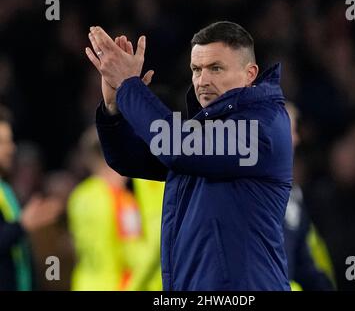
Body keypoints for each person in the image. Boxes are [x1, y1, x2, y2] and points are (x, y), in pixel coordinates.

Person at [86, 21, 293, 290]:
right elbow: (129, 159)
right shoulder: (202, 134)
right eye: (196, 69)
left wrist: (129, 86)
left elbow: (177, 149)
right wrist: (114, 107)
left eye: (216, 68)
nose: (203, 80)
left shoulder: (261, 126)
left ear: (249, 73)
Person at [67, 126, 142, 291]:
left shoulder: (78, 196)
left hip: (83, 284)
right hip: (116, 286)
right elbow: (134, 255)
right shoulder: (123, 201)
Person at [0, 105, 63, 291]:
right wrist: (23, 224)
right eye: (3, 142)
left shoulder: (4, 187)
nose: (11, 148)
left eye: (10, 141)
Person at [284, 102, 335, 290]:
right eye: (291, 131)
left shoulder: (292, 195)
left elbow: (302, 261)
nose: (296, 139)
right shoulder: (238, 187)